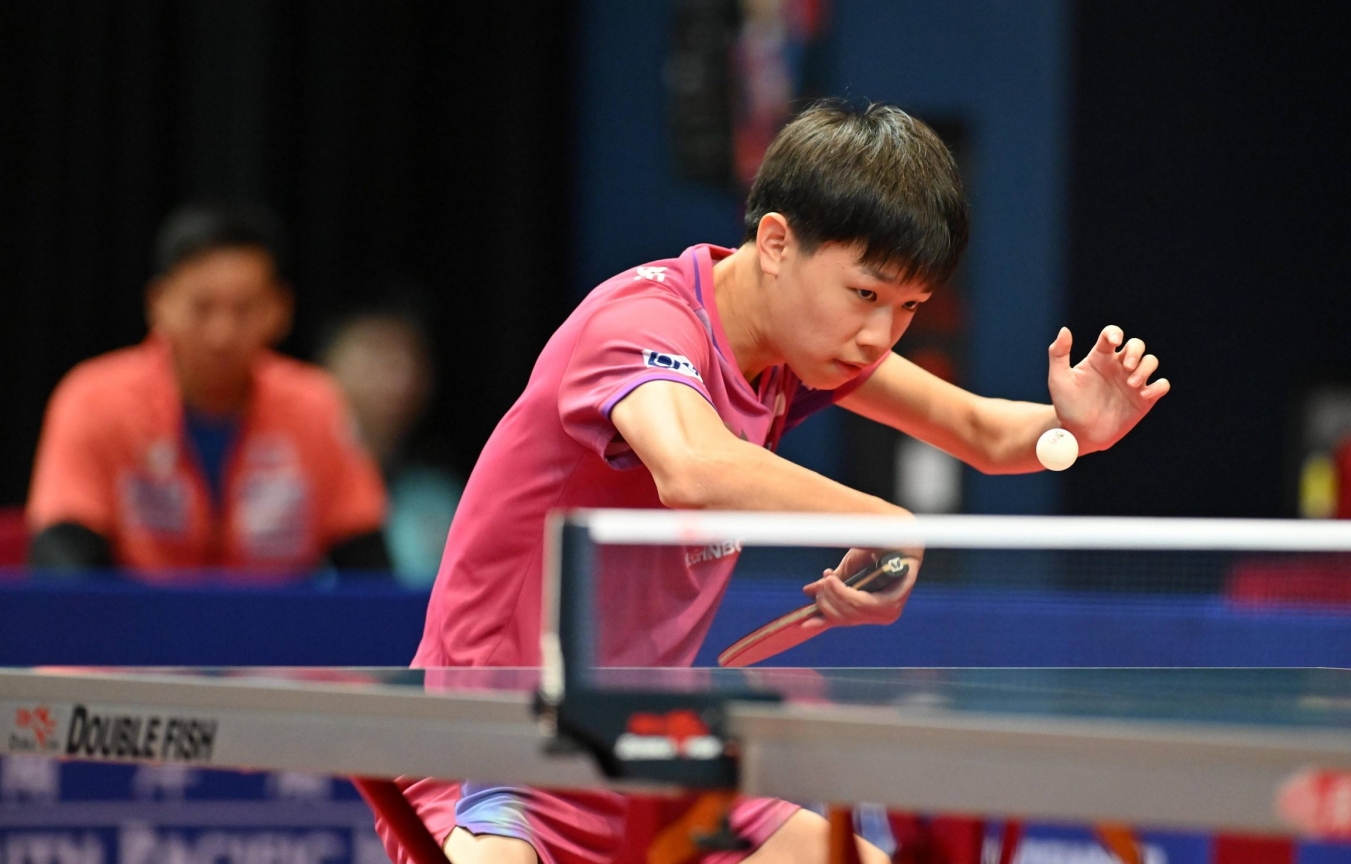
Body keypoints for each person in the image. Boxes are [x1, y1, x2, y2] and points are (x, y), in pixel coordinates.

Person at [383, 101, 1169, 864]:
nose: (879, 335)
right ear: (775, 242)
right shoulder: (640, 325)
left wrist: (1074, 432)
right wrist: (883, 522)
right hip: (494, 749)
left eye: (909, 307)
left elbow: (981, 432)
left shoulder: (797, 352)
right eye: (865, 294)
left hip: (646, 750)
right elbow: (693, 467)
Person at [27, 204, 389, 574]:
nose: (222, 334)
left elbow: (367, 563)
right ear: (158, 304)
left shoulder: (318, 405)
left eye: (244, 309)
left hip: (272, 611)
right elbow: (62, 561)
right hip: (136, 611)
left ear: (279, 309)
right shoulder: (93, 401)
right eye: (202, 308)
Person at [320, 305, 464, 586]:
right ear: (327, 364)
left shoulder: (440, 494)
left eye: (409, 357)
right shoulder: (297, 481)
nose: (399, 376)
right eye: (376, 355)